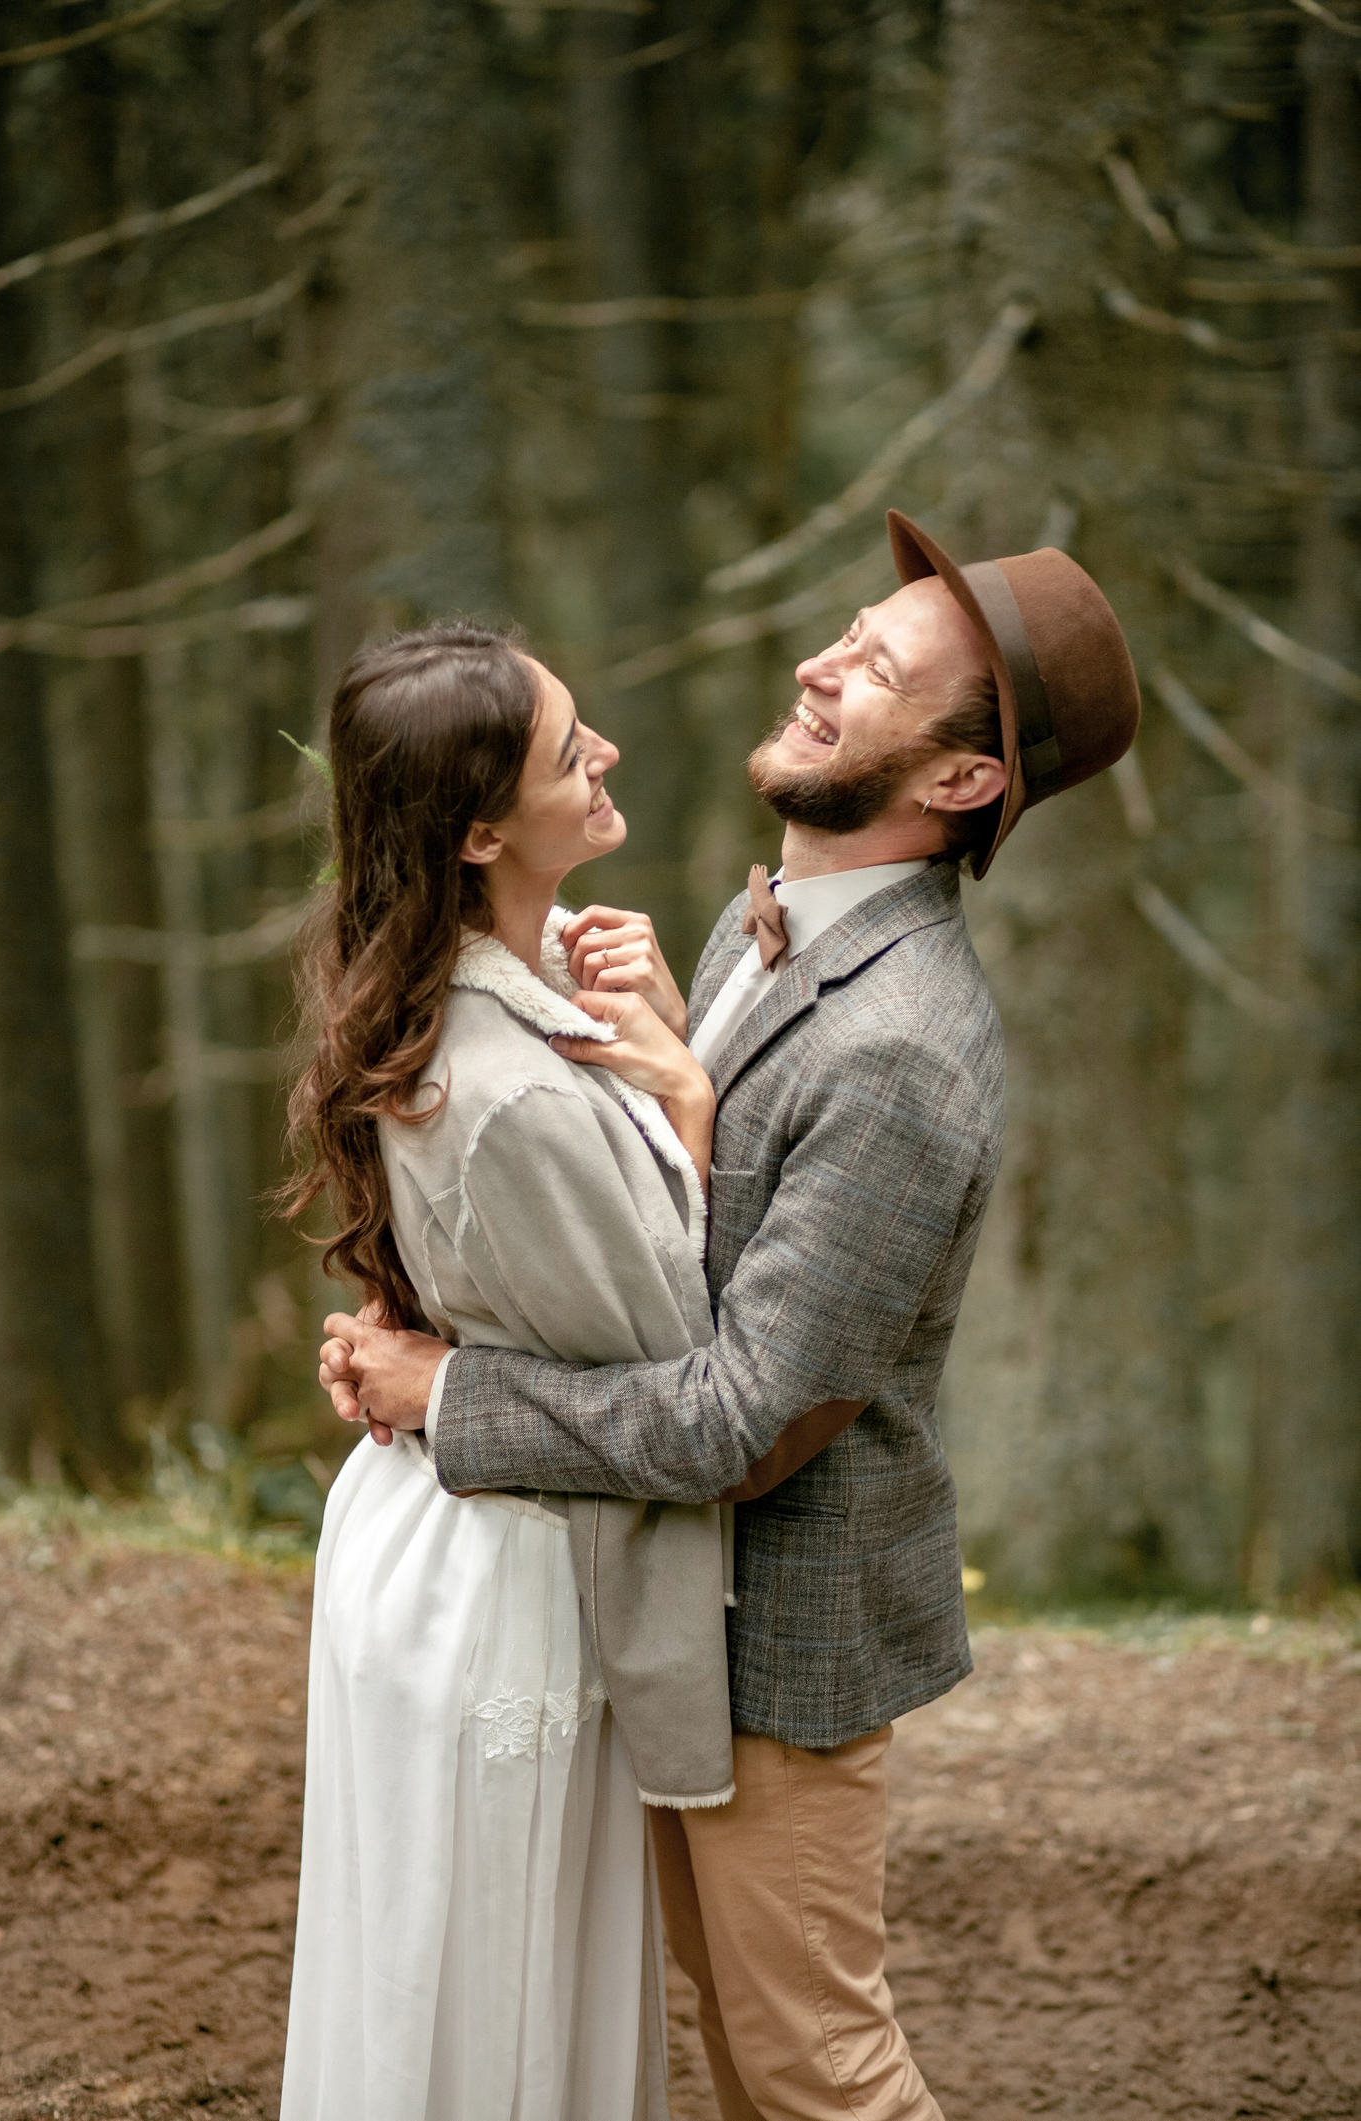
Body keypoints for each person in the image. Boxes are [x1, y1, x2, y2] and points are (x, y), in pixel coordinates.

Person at [317, 510, 1142, 2121]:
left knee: (816, 2069)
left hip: (781, 1642)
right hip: (670, 1605)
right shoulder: (771, 926)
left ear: (961, 779)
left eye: (876, 671)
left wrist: (446, 1393)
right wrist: (670, 1064)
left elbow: (743, 1421)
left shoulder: (905, 1045)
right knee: (744, 2049)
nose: (817, 666)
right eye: (845, 632)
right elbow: (699, 1248)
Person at [278, 622, 742, 2121]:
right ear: (480, 830)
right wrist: (688, 1105)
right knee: (495, 2009)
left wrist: (637, 1022)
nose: (602, 751)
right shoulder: (514, 1092)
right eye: (566, 750)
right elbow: (686, 1372)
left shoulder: (476, 995)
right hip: (508, 1579)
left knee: (438, 1976)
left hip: (438, 1530)